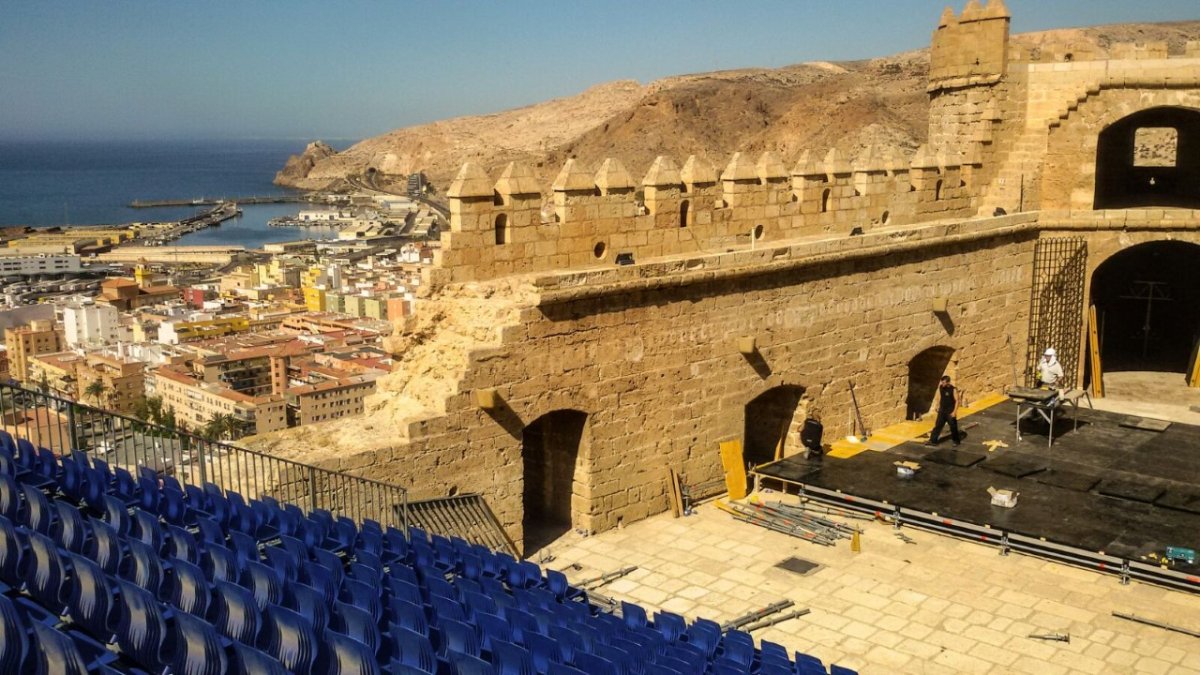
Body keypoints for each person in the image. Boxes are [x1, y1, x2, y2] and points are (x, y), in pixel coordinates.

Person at [927, 375, 961, 447]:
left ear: (948, 382)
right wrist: (937, 405)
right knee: (938, 426)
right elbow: (940, 397)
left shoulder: (953, 389)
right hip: (942, 410)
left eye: (944, 382)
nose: (942, 384)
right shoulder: (941, 387)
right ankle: (933, 440)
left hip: (950, 411)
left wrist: (954, 412)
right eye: (942, 382)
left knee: (953, 427)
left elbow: (957, 401)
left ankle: (956, 441)